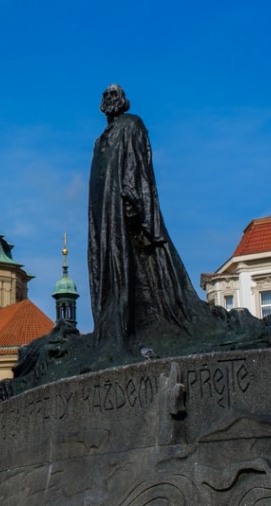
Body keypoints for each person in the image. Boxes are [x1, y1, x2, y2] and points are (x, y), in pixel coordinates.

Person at [87, 84, 205, 349]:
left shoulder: (132, 125)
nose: (108, 99)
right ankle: (113, 323)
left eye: (113, 95)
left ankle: (137, 325)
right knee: (110, 265)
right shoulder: (100, 139)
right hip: (103, 215)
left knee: (135, 266)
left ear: (121, 100)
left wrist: (135, 203)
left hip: (123, 207)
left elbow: (138, 165)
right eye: (105, 96)